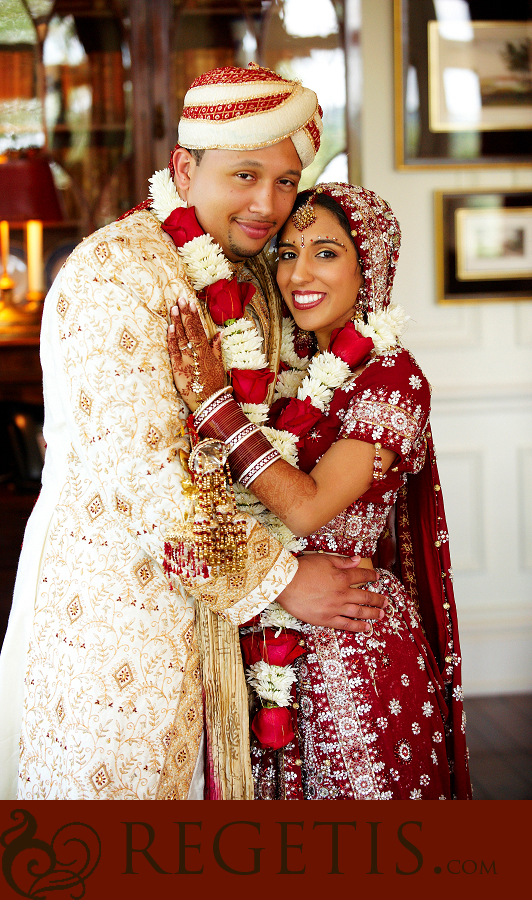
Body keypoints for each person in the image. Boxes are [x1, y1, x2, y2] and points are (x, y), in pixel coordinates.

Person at [0, 67, 387, 801]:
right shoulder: (117, 275)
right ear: (184, 168)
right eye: (246, 174)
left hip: (232, 638)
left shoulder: (255, 278)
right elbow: (153, 489)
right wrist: (286, 581)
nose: (269, 204)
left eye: (285, 180)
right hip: (120, 614)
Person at [168, 183, 472, 800]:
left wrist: (216, 409)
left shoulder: (393, 378)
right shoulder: (283, 366)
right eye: (286, 253)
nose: (298, 273)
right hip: (267, 631)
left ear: (372, 267)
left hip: (352, 650)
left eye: (326, 253)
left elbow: (306, 506)